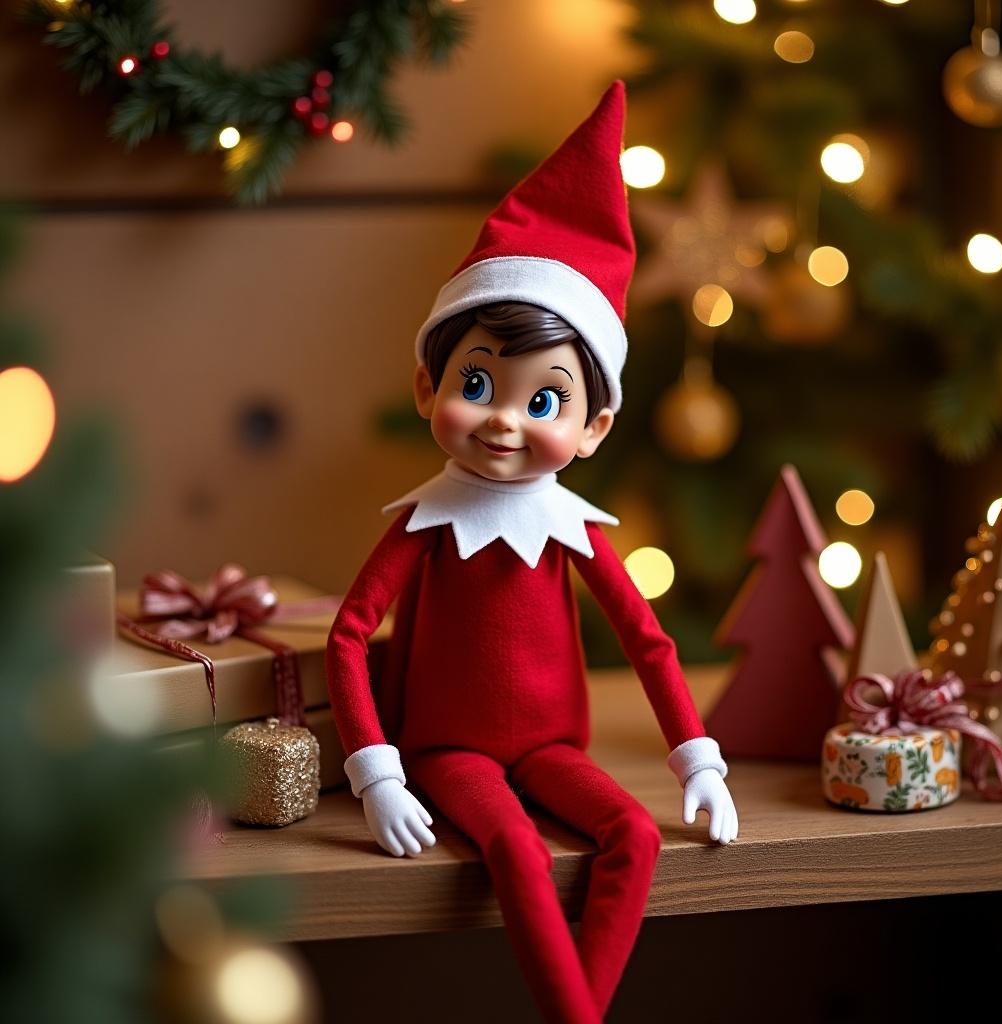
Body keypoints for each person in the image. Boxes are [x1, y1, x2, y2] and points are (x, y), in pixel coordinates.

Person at [326, 81, 738, 1024]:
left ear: (593, 426)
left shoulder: (577, 527)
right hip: (448, 748)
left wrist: (697, 762)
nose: (505, 419)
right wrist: (378, 770)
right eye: (478, 383)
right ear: (429, 382)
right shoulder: (423, 520)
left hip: (555, 742)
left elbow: (648, 643)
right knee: (511, 849)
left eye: (542, 399)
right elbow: (350, 636)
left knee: (632, 832)